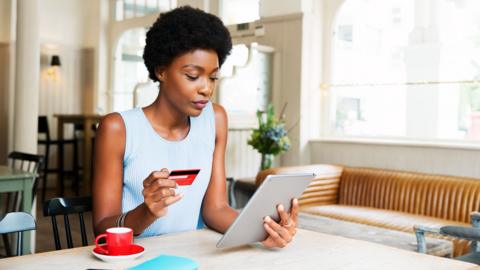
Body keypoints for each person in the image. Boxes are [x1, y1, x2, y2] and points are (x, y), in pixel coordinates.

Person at [92, 6, 298, 248]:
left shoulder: (216, 119)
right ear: (161, 71)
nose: (206, 89)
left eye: (213, 77)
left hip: (194, 255)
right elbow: (103, 228)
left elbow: (216, 209)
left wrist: (266, 231)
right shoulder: (118, 128)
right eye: (192, 76)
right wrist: (147, 211)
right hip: (135, 257)